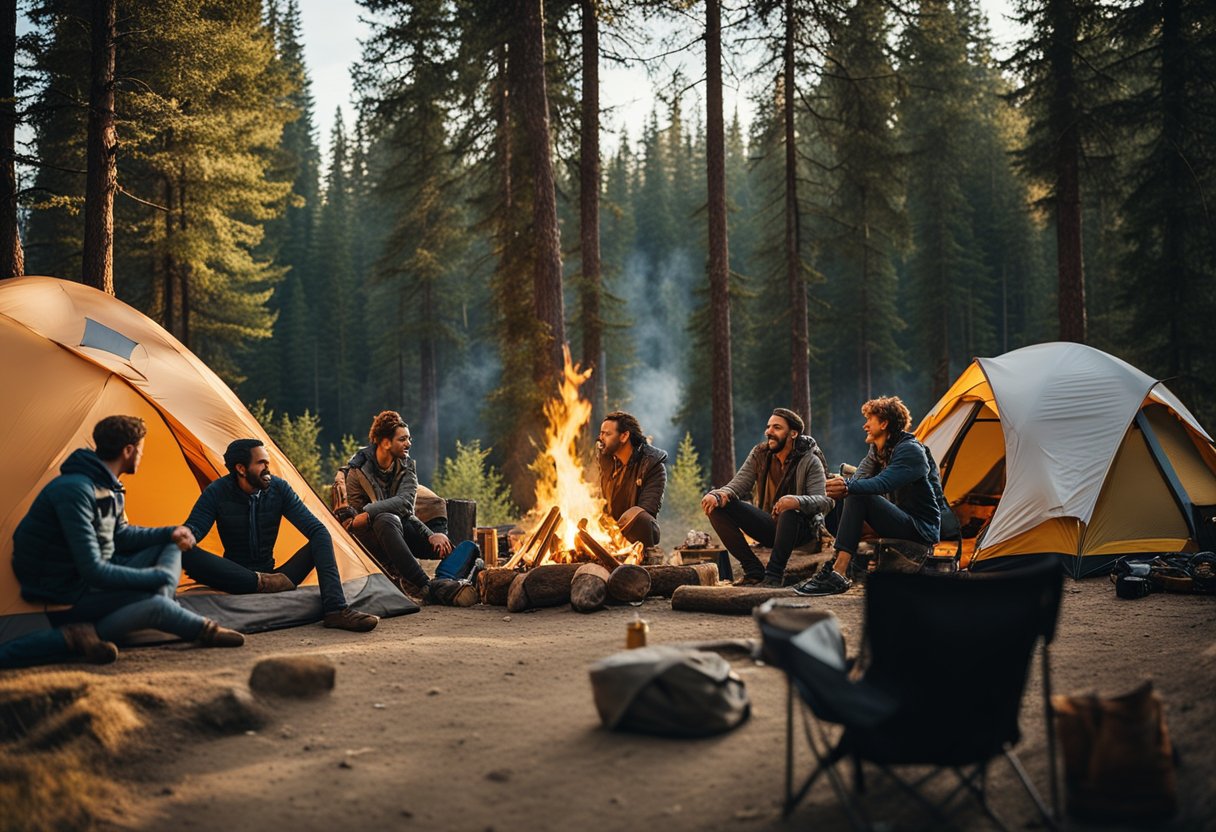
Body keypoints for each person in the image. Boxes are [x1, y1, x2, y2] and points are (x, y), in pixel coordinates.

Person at [1, 416, 243, 668]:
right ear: (128, 450)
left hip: (93, 578)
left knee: (171, 544)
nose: (141, 456)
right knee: (155, 602)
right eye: (141, 449)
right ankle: (187, 622)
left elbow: (121, 535)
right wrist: (158, 578)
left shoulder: (108, 487)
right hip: (65, 590)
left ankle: (137, 614)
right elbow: (93, 570)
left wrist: (172, 531)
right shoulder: (74, 491)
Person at [181, 439, 379, 632]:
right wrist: (184, 537)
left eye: (267, 462)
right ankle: (258, 583)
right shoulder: (217, 491)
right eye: (261, 463)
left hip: (278, 576)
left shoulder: (279, 489)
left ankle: (336, 610)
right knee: (184, 550)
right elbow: (195, 529)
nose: (268, 468)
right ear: (241, 469)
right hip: (236, 576)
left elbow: (314, 528)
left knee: (322, 535)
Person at [794, 396, 942, 597]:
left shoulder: (911, 450)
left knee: (858, 494)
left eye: (869, 420)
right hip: (897, 519)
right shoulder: (878, 450)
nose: (865, 425)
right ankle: (837, 565)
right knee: (842, 500)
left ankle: (839, 572)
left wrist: (847, 485)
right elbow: (859, 478)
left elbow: (883, 483)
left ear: (884, 423)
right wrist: (836, 485)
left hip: (920, 528)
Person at [341, 411, 477, 606]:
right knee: (385, 519)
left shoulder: (406, 466)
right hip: (370, 539)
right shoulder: (358, 471)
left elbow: (406, 505)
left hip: (397, 530)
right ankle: (425, 586)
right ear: (386, 442)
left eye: (409, 438)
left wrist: (431, 534)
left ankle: (451, 581)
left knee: (464, 549)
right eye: (403, 439)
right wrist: (374, 513)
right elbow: (357, 519)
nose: (409, 443)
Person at [700, 408, 833, 587]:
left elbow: (826, 501)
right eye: (768, 427)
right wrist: (718, 495)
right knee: (717, 507)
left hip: (802, 531)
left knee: (789, 512)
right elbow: (738, 484)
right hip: (770, 525)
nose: (769, 431)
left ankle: (773, 575)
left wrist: (797, 501)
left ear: (793, 433)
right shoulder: (760, 455)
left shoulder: (810, 460)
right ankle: (753, 570)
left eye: (776, 427)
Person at [597, 411, 668, 548]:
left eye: (607, 434)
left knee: (640, 518)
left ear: (624, 436)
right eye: (601, 433)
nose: (601, 438)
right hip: (606, 535)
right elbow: (599, 505)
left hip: (634, 537)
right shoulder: (606, 463)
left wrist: (616, 531)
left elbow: (645, 511)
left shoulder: (652, 466)